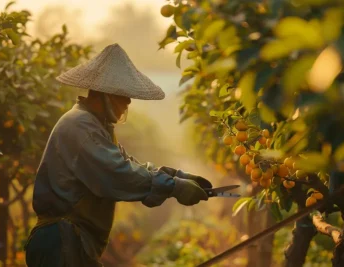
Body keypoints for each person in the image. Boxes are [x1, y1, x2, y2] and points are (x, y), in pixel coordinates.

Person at [24, 43, 212, 267]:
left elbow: (127, 164)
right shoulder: (81, 126)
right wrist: (173, 186)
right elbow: (118, 174)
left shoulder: (93, 125)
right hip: (61, 243)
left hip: (70, 240)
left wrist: (176, 175)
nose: (128, 102)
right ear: (105, 94)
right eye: (123, 95)